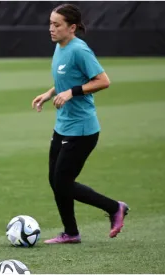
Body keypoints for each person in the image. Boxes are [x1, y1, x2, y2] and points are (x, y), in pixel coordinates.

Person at [31, 3, 129, 244]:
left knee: (63, 183)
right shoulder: (60, 47)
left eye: (57, 25)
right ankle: (71, 233)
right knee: (55, 181)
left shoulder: (79, 50)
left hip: (82, 130)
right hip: (62, 126)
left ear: (72, 27)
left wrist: (72, 92)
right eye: (50, 24)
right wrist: (50, 93)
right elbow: (67, 78)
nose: (51, 29)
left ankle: (115, 207)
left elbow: (103, 81)